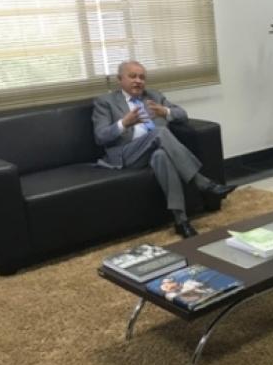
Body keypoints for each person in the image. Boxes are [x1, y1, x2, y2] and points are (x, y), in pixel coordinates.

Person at [92, 60, 235, 238]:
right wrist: (124, 123)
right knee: (159, 132)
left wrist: (165, 112)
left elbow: (182, 114)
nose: (138, 81)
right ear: (120, 79)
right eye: (133, 76)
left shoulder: (154, 95)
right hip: (126, 154)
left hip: (154, 149)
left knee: (162, 156)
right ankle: (202, 182)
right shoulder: (105, 102)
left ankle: (181, 221)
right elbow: (100, 136)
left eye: (142, 77)